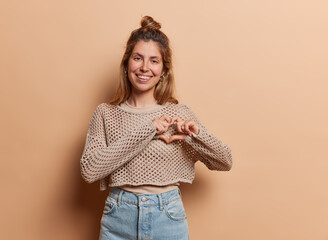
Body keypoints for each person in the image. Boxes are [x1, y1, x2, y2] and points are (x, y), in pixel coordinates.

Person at [80, 16, 232, 240]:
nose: (144, 67)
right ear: (126, 64)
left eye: (154, 61)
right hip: (118, 218)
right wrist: (148, 129)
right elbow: (89, 170)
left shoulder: (178, 114)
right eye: (137, 58)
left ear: (163, 70)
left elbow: (225, 161)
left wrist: (196, 135)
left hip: (167, 219)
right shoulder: (106, 113)